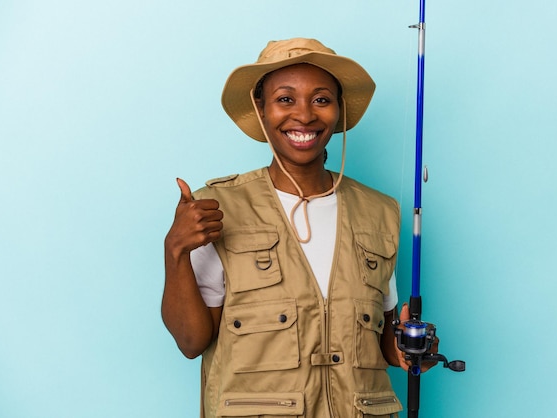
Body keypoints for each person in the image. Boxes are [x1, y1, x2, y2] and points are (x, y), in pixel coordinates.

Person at [162, 37, 437, 418]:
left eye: (321, 99)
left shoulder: (380, 212)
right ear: (261, 109)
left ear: (339, 110)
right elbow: (192, 342)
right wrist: (174, 250)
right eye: (285, 99)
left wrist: (409, 348)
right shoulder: (218, 207)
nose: (304, 115)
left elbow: (382, 345)